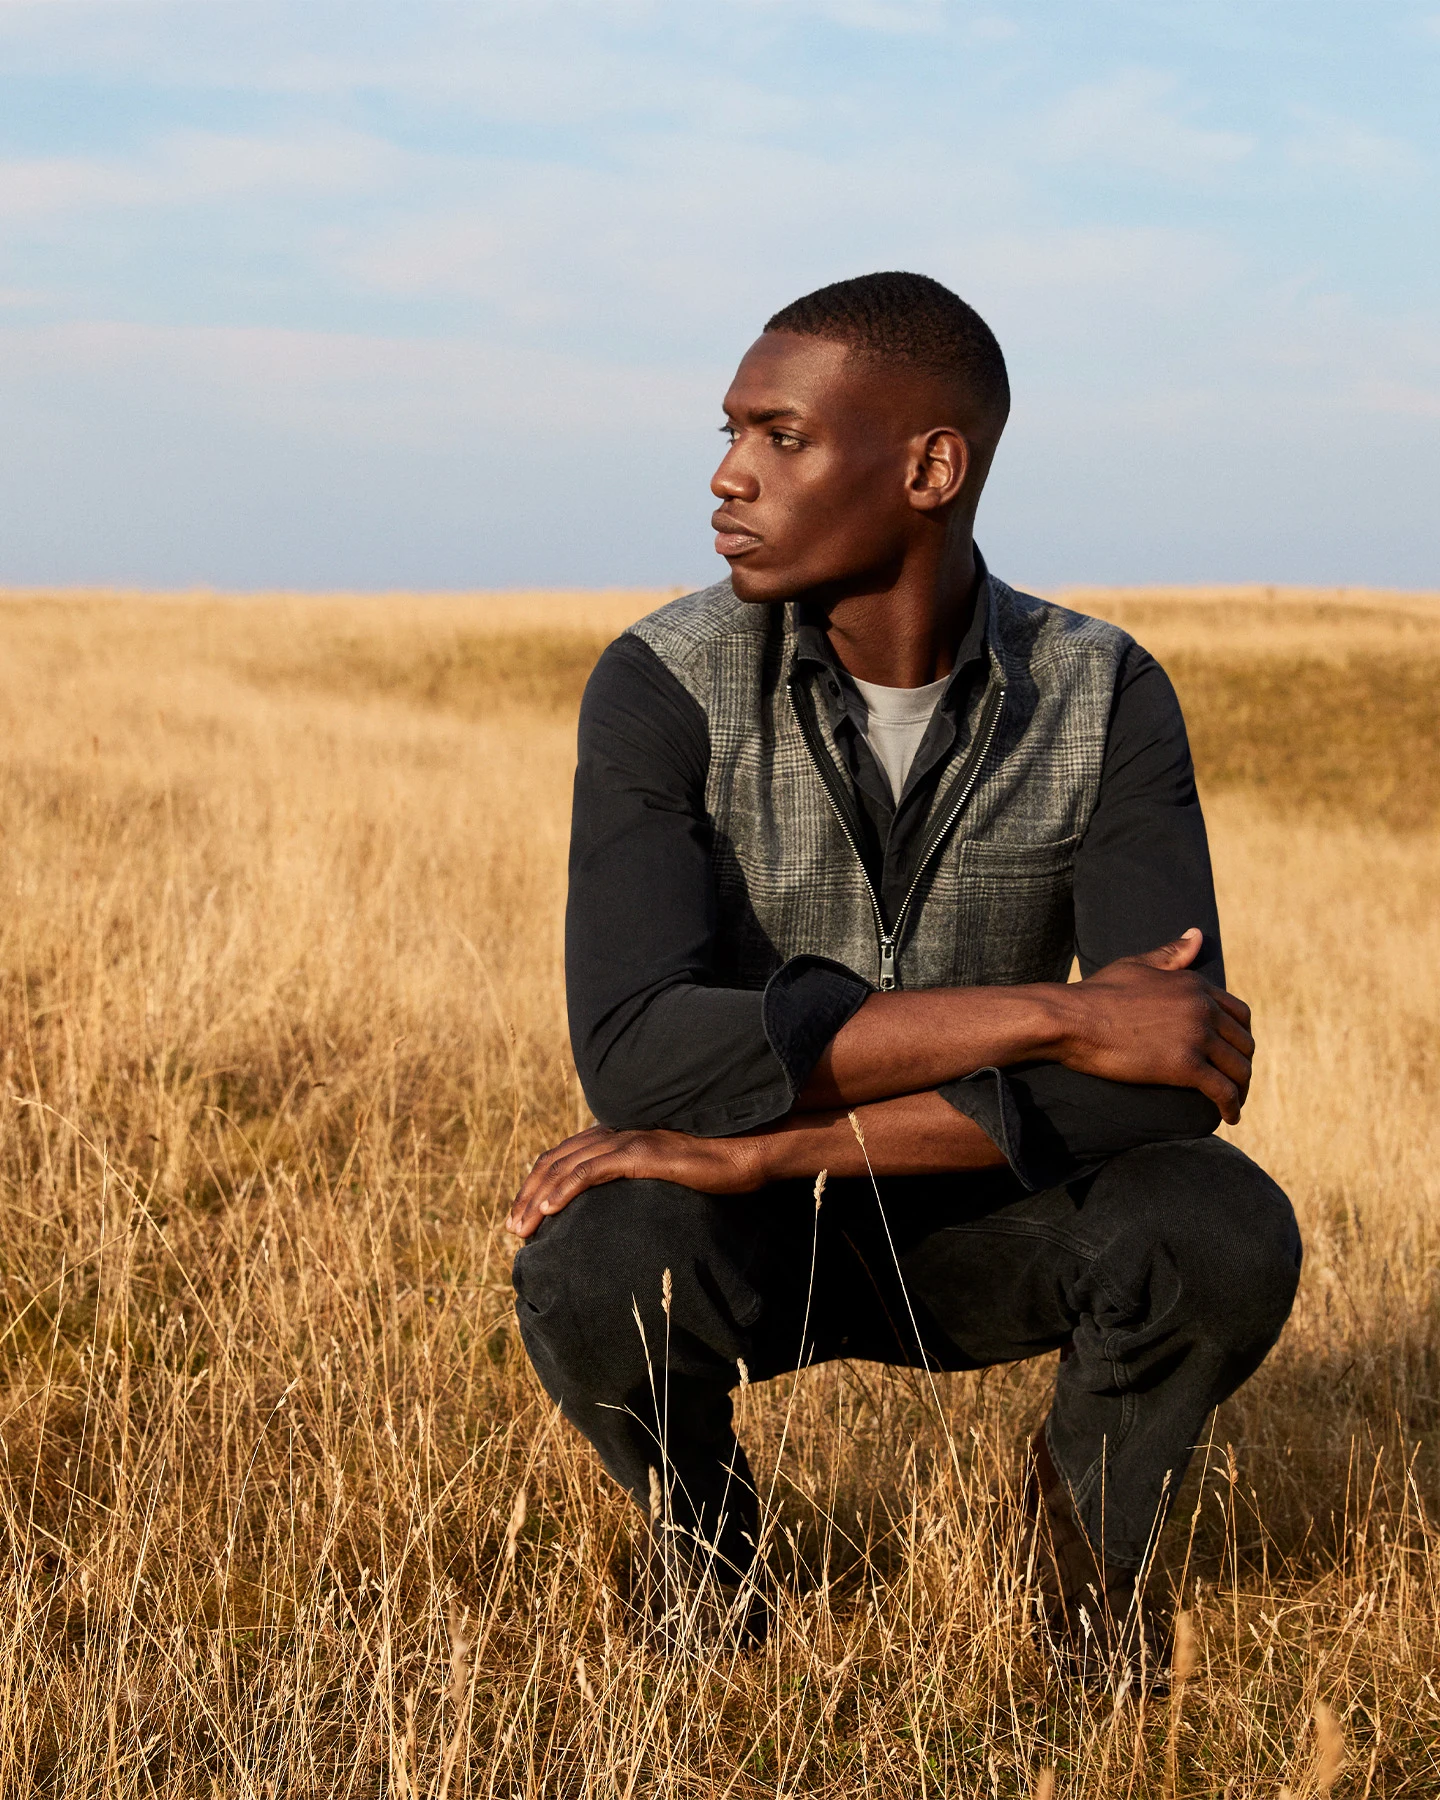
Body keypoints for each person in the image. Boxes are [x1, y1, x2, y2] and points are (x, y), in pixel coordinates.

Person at [506, 271, 1301, 1683]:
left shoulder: (1104, 689)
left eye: (783, 436)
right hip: (749, 1231)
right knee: (593, 1257)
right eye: (732, 430)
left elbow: (1175, 1077)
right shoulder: (662, 681)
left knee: (1220, 1225)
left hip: (991, 1207)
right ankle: (703, 1547)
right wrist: (1061, 1013)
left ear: (933, 465)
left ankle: (1078, 1553)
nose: (727, 473)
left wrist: (779, 1144)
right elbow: (639, 1049)